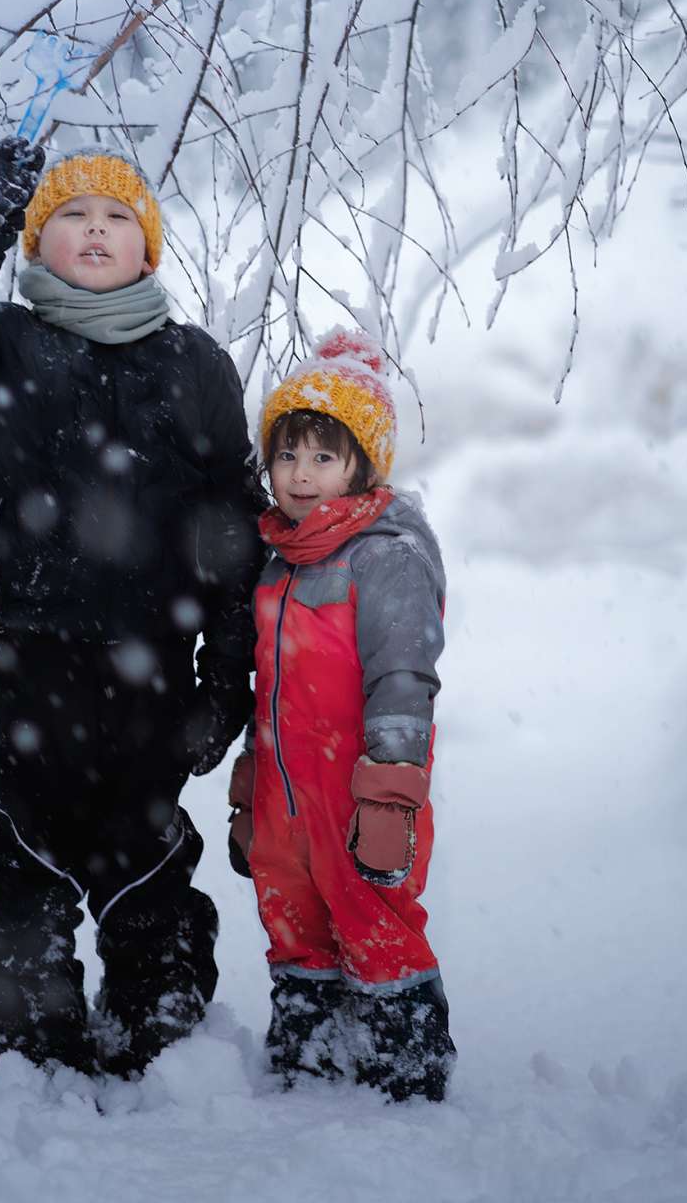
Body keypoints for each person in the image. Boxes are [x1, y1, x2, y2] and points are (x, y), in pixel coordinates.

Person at [0, 137, 264, 1084]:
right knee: (31, 853)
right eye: (69, 215)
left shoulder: (195, 363)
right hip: (27, 660)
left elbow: (233, 525)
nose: (95, 229)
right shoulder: (8, 341)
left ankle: (160, 1030)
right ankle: (26, 1050)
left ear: (151, 248)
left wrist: (226, 674)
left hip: (154, 665)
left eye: (117, 217)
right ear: (35, 241)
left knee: (148, 855)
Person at [228, 328, 456, 1102]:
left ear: (362, 465)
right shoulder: (281, 559)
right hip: (288, 800)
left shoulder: (384, 554)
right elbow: (271, 689)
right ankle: (310, 1060)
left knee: (374, 920)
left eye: (324, 456)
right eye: (288, 454)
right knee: (292, 920)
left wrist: (391, 795)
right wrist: (251, 784)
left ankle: (407, 1072)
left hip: (357, 795)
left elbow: (403, 678)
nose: (300, 473)